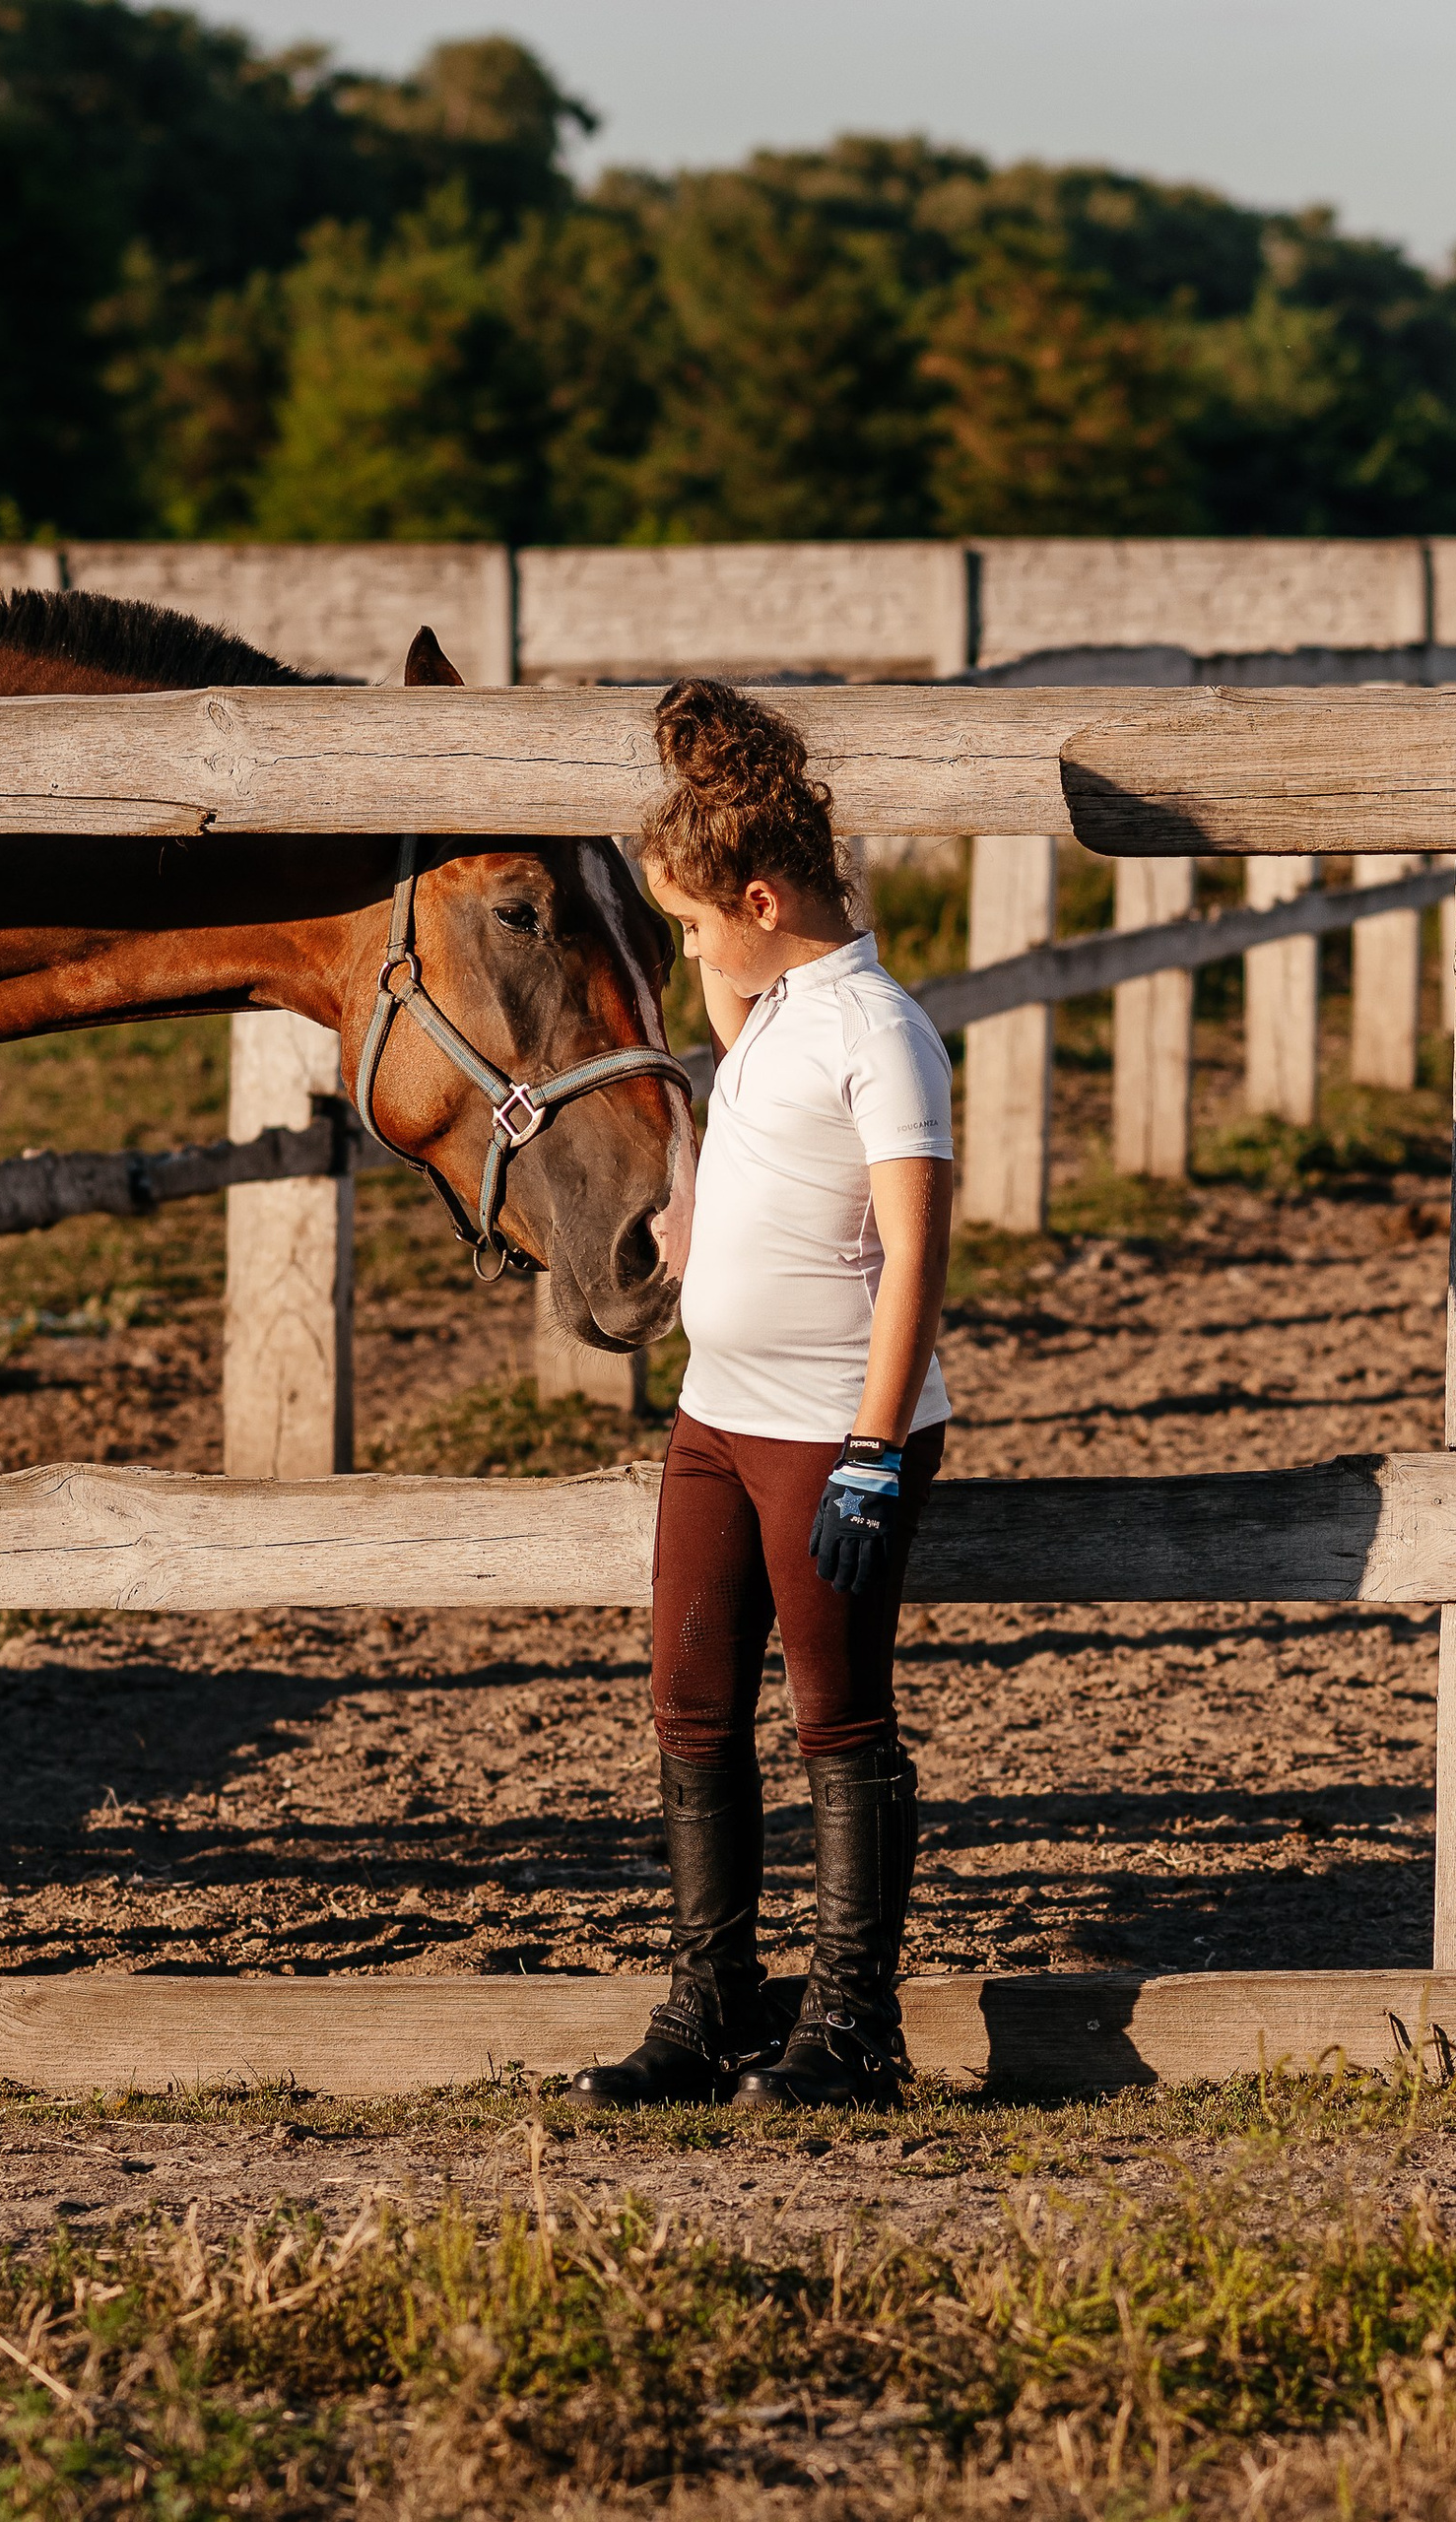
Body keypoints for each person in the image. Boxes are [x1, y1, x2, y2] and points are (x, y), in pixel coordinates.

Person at [572, 678, 955, 2113]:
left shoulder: (879, 1033)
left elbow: (917, 1247)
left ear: (762, 896)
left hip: (828, 1434)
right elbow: (740, 997)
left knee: (839, 1722)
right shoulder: (774, 1008)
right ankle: (713, 1999)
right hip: (715, 1420)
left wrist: (871, 1447)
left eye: (688, 920)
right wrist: (705, 754)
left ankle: (857, 2025)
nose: (685, 954)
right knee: (690, 1708)